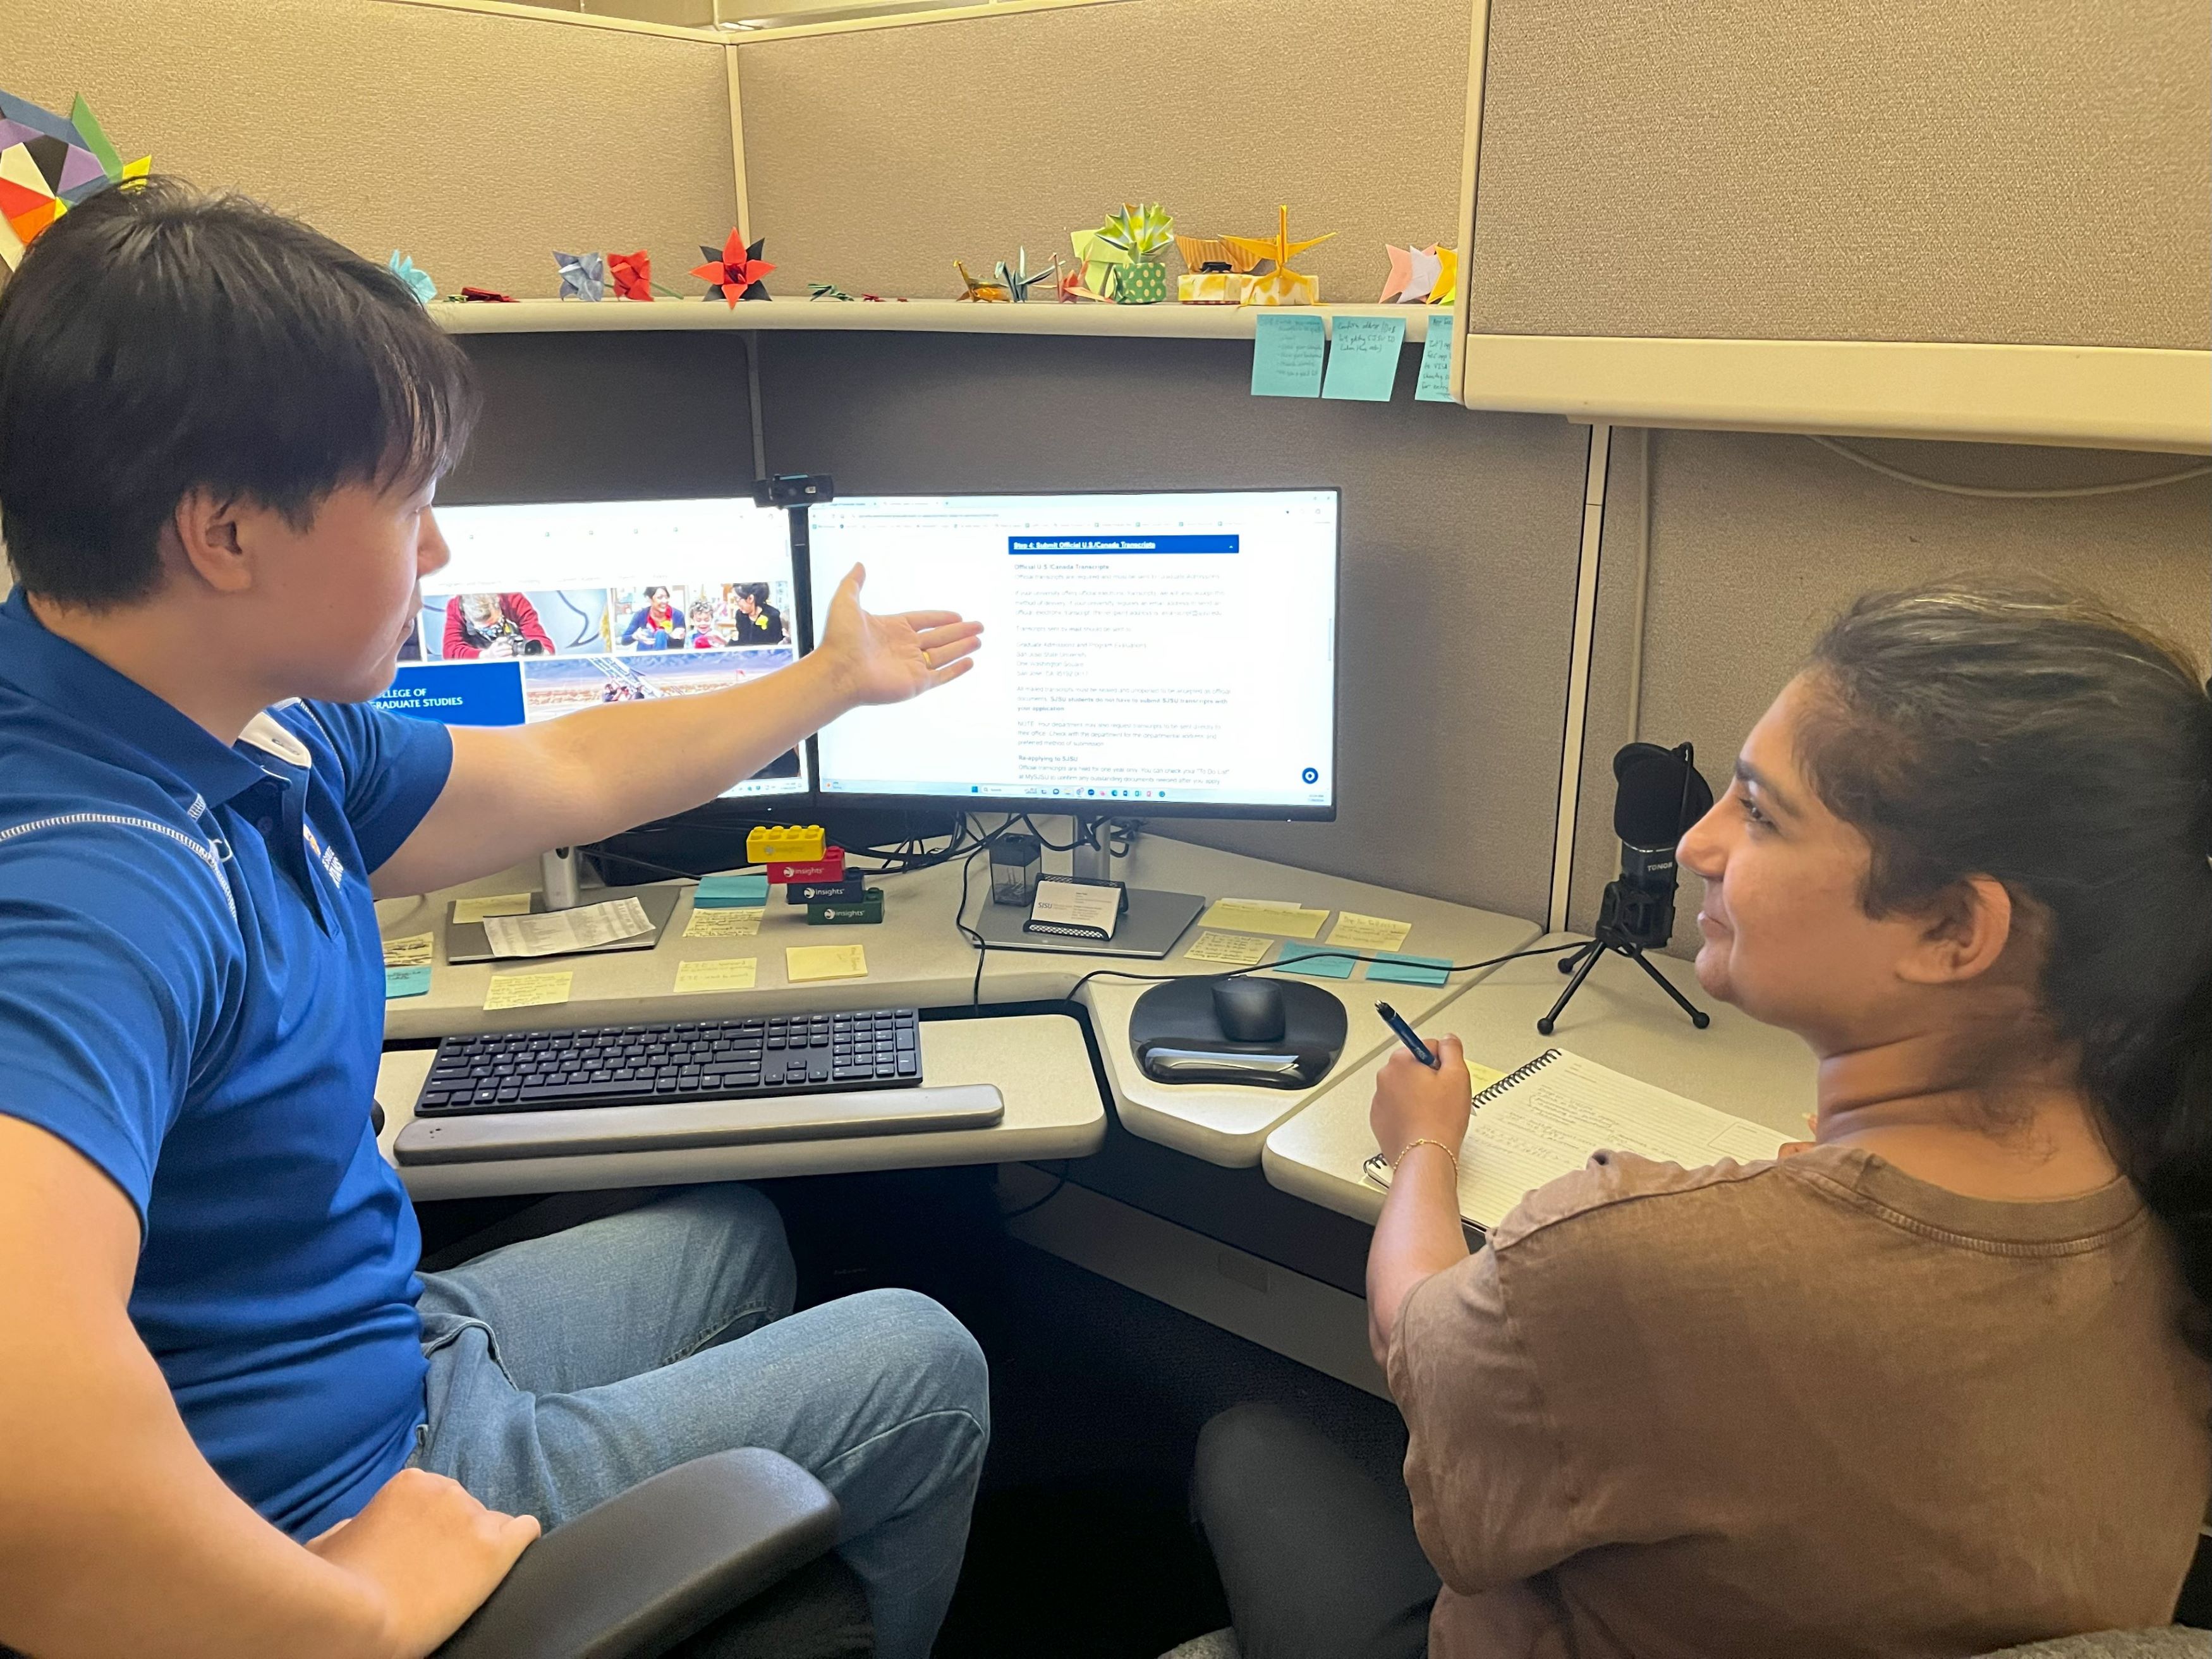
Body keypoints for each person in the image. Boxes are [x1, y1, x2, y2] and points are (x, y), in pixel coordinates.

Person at [0, 181, 987, 1659]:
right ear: (222, 534)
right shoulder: (96, 886)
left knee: (731, 1239)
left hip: (371, 1349)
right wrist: (359, 1616)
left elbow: (569, 768)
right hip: (321, 1500)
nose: (443, 556)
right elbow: (32, 1470)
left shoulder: (232, 722)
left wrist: (831, 682)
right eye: (407, 505)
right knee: (926, 1359)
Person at [1194, 577, 2212, 1658]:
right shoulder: (2167, 1191)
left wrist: (1424, 1146)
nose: (1697, 845)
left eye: (1763, 812)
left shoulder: (1635, 1256)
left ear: (1956, 927)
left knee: (1244, 1443)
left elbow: (1418, 1343)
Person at [441, 590, 552, 659]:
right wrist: (486, 655)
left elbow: (540, 639)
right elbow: (450, 651)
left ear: (499, 605)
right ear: (468, 619)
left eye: (496, 623)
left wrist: (540, 654)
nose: (494, 632)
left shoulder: (514, 599)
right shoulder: (456, 608)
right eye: (486, 629)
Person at [619, 585, 681, 650]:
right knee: (647, 633)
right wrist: (635, 636)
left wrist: (671, 636)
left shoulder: (677, 615)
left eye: (666, 598)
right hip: (645, 652)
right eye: (659, 598)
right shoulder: (641, 614)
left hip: (666, 654)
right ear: (649, 599)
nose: (664, 601)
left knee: (661, 633)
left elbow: (682, 645)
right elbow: (624, 640)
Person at [732, 580, 787, 647]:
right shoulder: (740, 615)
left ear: (750, 599)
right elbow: (742, 642)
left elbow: (777, 645)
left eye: (737, 599)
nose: (735, 603)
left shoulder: (774, 616)